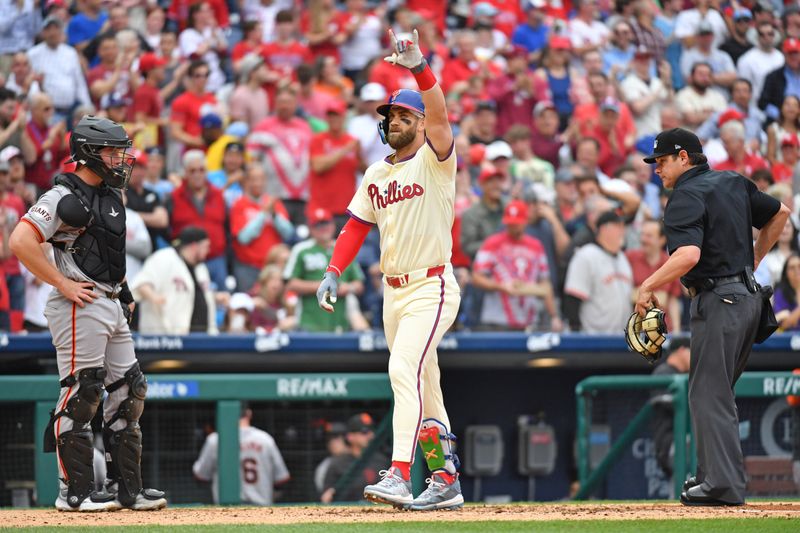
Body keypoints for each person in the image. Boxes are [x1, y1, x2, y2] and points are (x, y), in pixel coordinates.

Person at [316, 30, 464, 511]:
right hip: (393, 293)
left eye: (406, 115)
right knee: (425, 386)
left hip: (432, 284)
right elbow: (356, 225)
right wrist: (334, 270)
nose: (397, 121)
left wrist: (419, 68)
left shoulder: (435, 159)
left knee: (402, 370)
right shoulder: (376, 173)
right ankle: (444, 479)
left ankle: (400, 473)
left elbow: (440, 115)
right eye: (392, 115)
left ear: (420, 123)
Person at [8, 115, 166, 512]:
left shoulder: (112, 196)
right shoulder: (62, 196)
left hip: (110, 301)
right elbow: (20, 241)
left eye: (120, 152)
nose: (120, 160)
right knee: (82, 393)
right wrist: (61, 284)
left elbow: (109, 251)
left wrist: (125, 292)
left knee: (129, 392)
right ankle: (73, 494)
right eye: (113, 152)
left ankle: (125, 490)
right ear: (88, 153)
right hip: (79, 301)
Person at [634, 127, 790, 506]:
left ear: (684, 157)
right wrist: (754, 259)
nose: (657, 169)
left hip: (720, 300)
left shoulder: (684, 195)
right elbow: (781, 214)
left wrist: (647, 286)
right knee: (712, 392)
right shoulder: (732, 181)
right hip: (749, 300)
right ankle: (712, 478)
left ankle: (721, 484)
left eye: (663, 161)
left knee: (709, 392)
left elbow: (689, 255)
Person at [471, 200, 560, 332]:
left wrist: (554, 316)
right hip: (497, 319)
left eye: (517, 223)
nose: (513, 227)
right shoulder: (492, 243)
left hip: (529, 319)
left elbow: (545, 283)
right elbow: (476, 277)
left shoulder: (536, 246)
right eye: (510, 223)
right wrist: (501, 286)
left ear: (525, 221)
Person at [193, 403, 290, 505]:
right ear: (249, 413)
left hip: (228, 509)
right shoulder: (265, 439)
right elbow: (282, 479)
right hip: (261, 508)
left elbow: (201, 476)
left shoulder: (215, 439)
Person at [285, 206, 364, 332]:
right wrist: (322, 286)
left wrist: (347, 288)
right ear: (310, 229)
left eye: (326, 223)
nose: (323, 228)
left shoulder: (344, 248)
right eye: (318, 225)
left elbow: (359, 283)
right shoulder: (301, 250)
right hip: (309, 321)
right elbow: (290, 283)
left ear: (333, 225)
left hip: (340, 321)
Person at [131, 226, 219, 335]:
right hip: (164, 338)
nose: (208, 251)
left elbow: (195, 294)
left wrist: (216, 297)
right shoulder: (163, 258)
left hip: (200, 337)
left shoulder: (201, 268)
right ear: (194, 246)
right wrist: (153, 297)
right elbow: (141, 284)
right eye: (206, 246)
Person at [320, 413, 388, 503]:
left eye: (371, 431)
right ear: (350, 437)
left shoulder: (381, 460)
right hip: (346, 514)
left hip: (377, 513)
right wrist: (329, 494)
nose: (370, 436)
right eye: (364, 432)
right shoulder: (337, 463)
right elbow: (326, 497)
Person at [650, 336, 691, 480]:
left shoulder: (687, 376)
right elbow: (671, 405)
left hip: (686, 442)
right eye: (691, 352)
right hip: (670, 443)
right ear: (681, 350)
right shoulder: (663, 373)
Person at [772, 253, 800, 332]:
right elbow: (784, 324)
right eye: (792, 268)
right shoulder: (780, 292)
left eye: (799, 266)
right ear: (786, 273)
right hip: (787, 339)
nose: (796, 271)